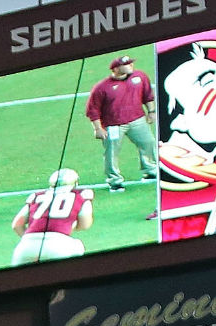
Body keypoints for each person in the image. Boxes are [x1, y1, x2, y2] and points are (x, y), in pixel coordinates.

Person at [84, 55, 157, 192]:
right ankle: (114, 181)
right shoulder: (102, 87)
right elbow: (93, 109)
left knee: (148, 143)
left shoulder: (140, 77)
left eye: (130, 63)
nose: (130, 66)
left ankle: (151, 170)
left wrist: (151, 111)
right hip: (113, 125)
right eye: (126, 64)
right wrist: (98, 128)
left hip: (137, 120)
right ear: (116, 69)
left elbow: (148, 95)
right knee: (111, 153)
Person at [9, 169, 92, 265]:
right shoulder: (81, 195)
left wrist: (32, 240)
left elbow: (16, 224)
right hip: (58, 245)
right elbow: (85, 225)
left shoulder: (37, 196)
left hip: (26, 247)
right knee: (78, 246)